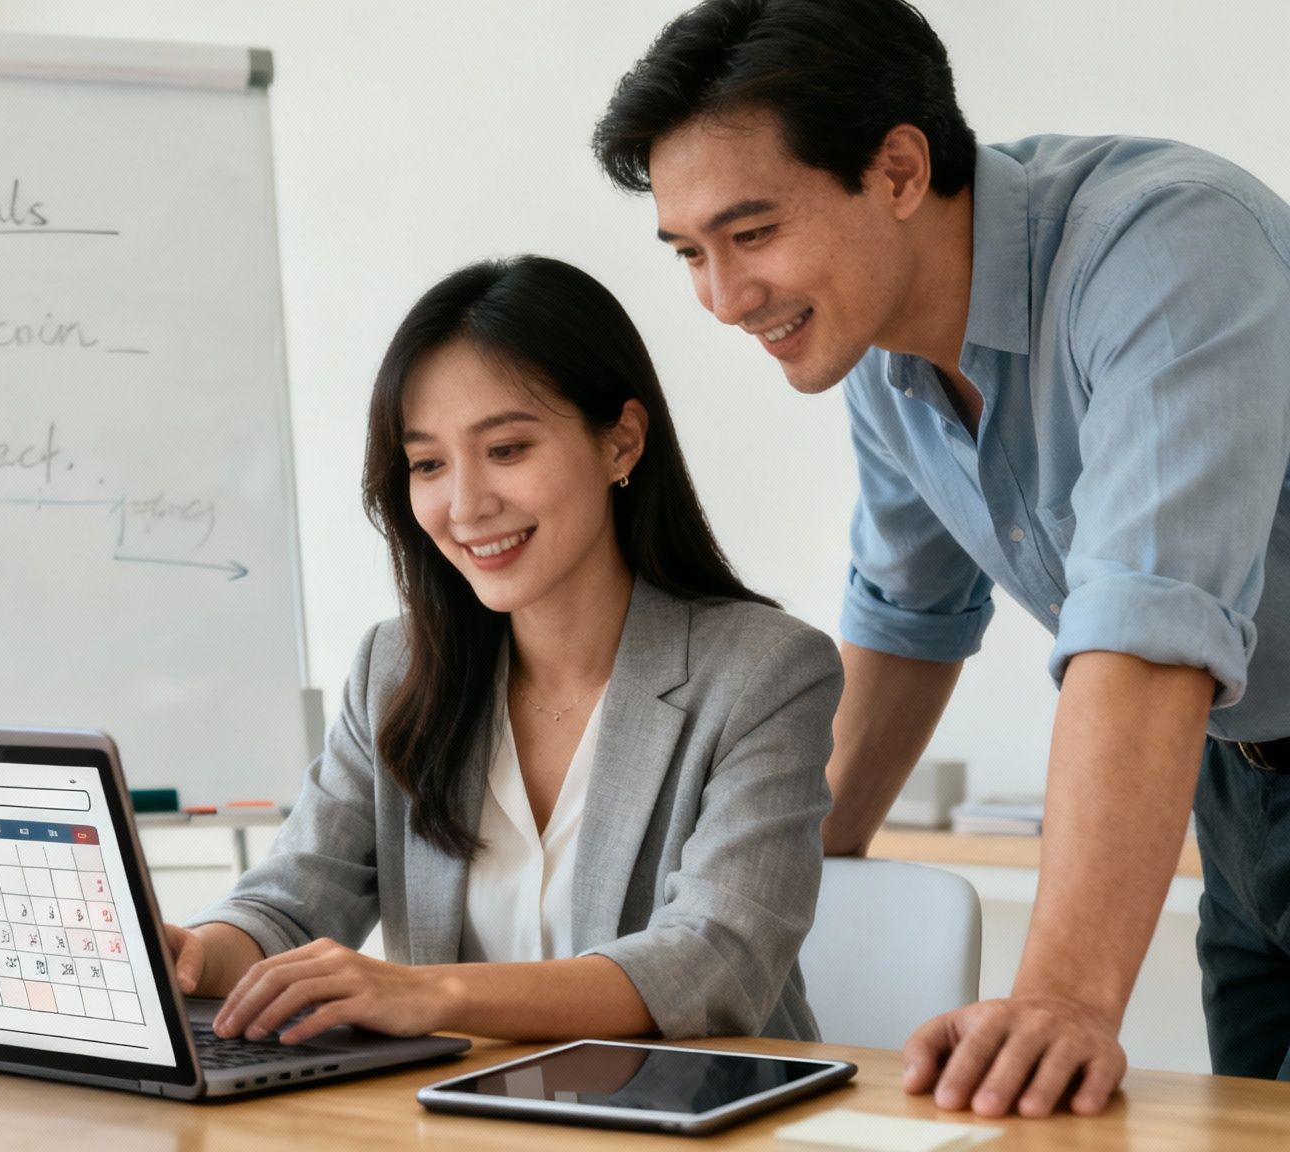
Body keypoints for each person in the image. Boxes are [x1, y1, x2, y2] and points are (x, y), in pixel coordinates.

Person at [592, 0, 1290, 1116]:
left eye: (753, 233)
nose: (721, 300)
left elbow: (1148, 627)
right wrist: (742, 900)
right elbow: (902, 623)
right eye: (690, 253)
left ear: (899, 169)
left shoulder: (1166, 246)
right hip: (1237, 789)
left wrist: (1061, 996)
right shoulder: (884, 360)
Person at [164, 255, 842, 1048]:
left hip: (696, 1119)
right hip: (458, 1121)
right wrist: (193, 956)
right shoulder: (395, 670)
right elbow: (291, 904)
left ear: (621, 442)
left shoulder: (764, 672)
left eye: (508, 449)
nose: (465, 505)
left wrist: (428, 994)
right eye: (427, 464)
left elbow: (711, 962)